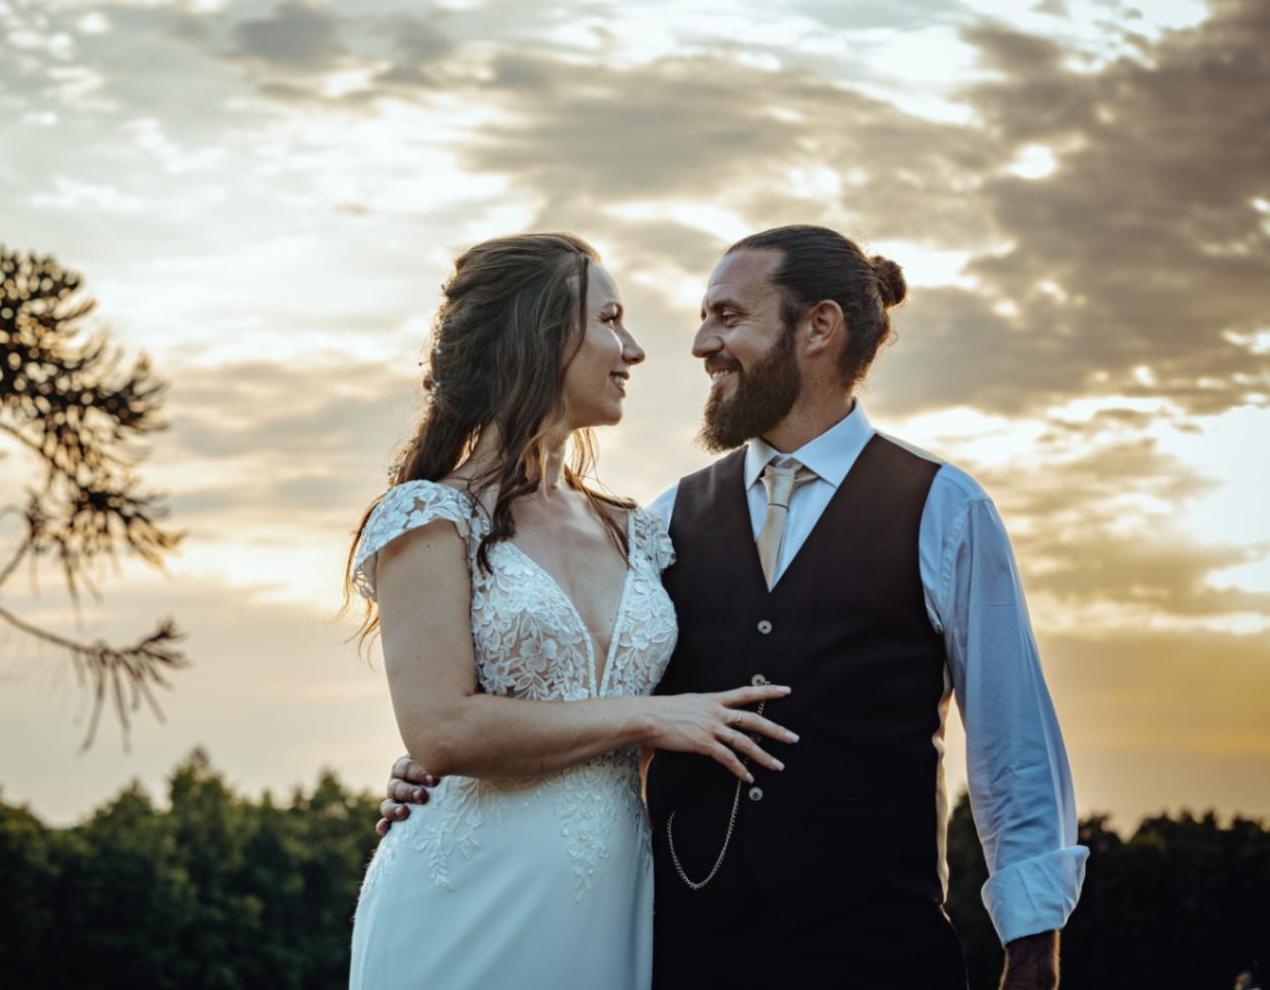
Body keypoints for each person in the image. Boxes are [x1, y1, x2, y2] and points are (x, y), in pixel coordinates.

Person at [381, 225, 1088, 990]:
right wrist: (439, 762)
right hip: (688, 945)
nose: (699, 344)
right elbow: (582, 689)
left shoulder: (945, 509)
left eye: (727, 316)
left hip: (877, 948)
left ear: (817, 327)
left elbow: (1012, 738)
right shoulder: (661, 523)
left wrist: (1032, 942)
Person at [345, 232, 799, 990]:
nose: (635, 349)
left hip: (608, 902)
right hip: (465, 897)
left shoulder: (641, 533)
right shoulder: (429, 516)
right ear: (541, 335)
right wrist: (643, 718)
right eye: (611, 320)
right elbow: (441, 729)